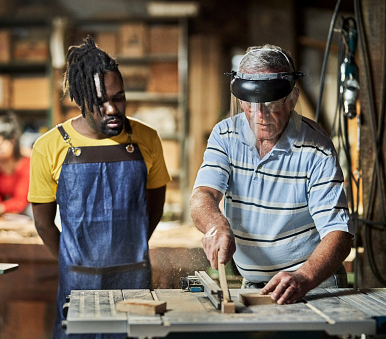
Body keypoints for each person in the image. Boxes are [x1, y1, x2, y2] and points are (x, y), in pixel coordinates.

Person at [27, 36, 171, 338]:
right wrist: (73, 262)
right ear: (81, 101)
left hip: (134, 281)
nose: (111, 109)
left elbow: (155, 209)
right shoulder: (48, 147)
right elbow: (43, 224)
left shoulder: (147, 139)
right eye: (100, 102)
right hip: (77, 284)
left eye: (118, 98)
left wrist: (129, 252)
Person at [190, 44, 353, 305]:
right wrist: (215, 225)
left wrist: (304, 277)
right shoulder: (224, 135)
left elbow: (339, 233)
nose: (260, 116)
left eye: (272, 105)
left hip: (313, 284)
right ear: (241, 100)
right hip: (254, 283)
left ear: (292, 98)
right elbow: (203, 195)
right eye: (252, 105)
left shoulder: (316, 148)